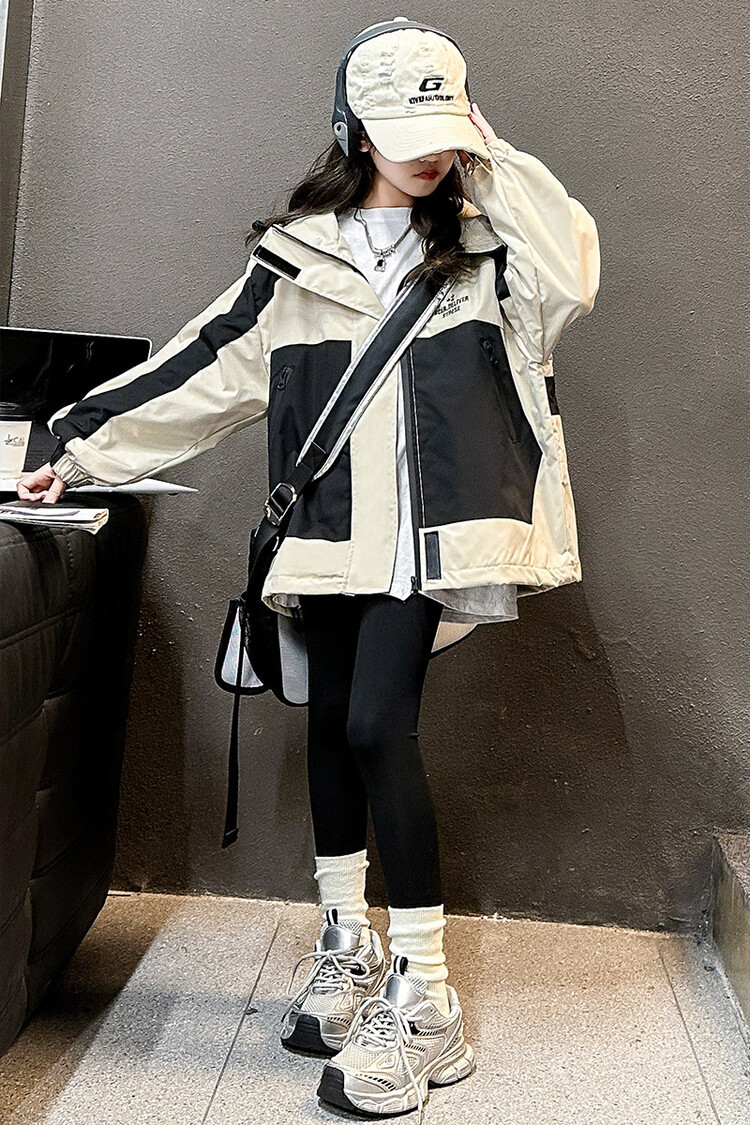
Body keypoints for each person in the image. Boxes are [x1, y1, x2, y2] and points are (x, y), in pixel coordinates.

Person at [17, 18, 600, 1122]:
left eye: (443, 130)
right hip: (326, 530)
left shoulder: (496, 251)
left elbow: (573, 274)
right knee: (331, 725)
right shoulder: (296, 259)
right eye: (404, 133)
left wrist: (490, 156)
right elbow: (201, 367)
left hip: (431, 537)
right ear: (352, 130)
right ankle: (347, 941)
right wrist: (74, 443)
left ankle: (426, 999)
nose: (427, 154)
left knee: (380, 726)